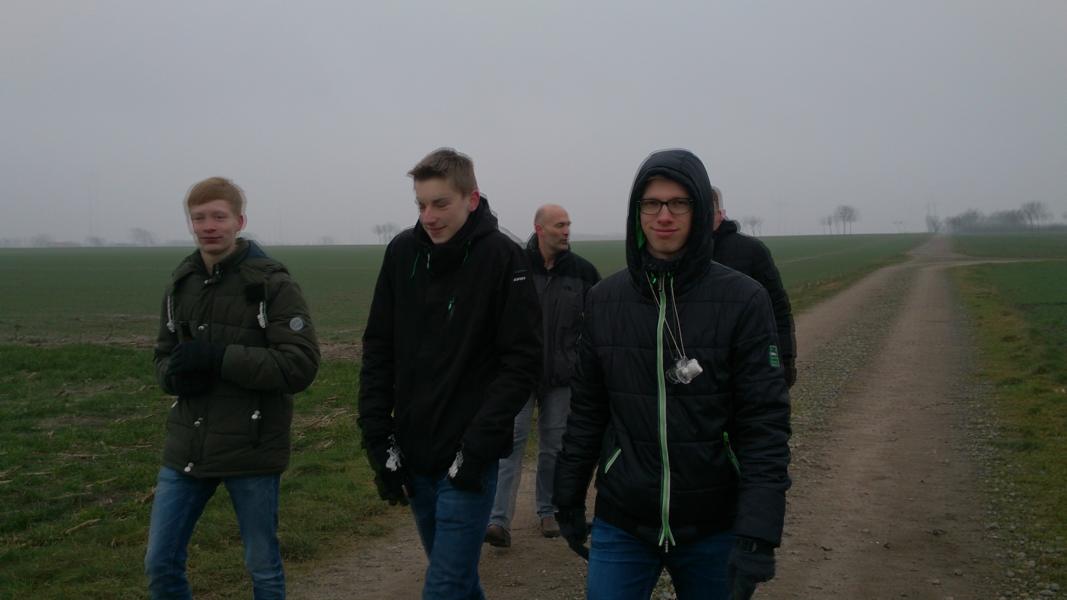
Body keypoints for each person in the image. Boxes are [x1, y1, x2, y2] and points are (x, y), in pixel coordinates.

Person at [552, 149, 791, 600]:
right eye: (652, 203)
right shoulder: (604, 300)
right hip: (623, 518)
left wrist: (758, 533)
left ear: (699, 211)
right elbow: (587, 412)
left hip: (714, 523)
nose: (664, 215)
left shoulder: (744, 300)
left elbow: (764, 424)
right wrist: (566, 497)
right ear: (636, 212)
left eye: (679, 203)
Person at [357, 148, 542, 599]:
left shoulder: (503, 257)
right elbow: (378, 347)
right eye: (421, 205)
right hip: (414, 450)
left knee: (443, 587)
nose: (429, 217)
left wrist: (478, 445)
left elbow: (522, 361)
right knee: (458, 582)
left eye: (440, 203)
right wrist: (378, 438)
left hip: (469, 457)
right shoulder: (402, 252)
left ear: (471, 199)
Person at [145, 177, 321, 599]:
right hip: (188, 446)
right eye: (199, 218)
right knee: (159, 563)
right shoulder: (181, 282)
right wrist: (173, 375)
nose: (209, 226)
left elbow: (299, 365)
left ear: (239, 221)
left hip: (252, 446)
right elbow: (162, 356)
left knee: (263, 568)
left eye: (219, 217)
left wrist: (220, 358)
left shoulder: (272, 284)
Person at [484, 204, 600, 548]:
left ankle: (548, 512)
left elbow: (597, 325)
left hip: (563, 377)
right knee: (509, 445)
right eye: (559, 225)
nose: (566, 231)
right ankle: (498, 520)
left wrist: (584, 363)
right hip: (518, 375)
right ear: (539, 229)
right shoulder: (514, 268)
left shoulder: (583, 272)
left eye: (568, 224)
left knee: (554, 447)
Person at [711, 186, 798, 387]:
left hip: (746, 367)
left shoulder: (752, 251)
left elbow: (778, 310)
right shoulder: (679, 255)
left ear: (720, 213)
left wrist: (784, 361)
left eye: (708, 210)